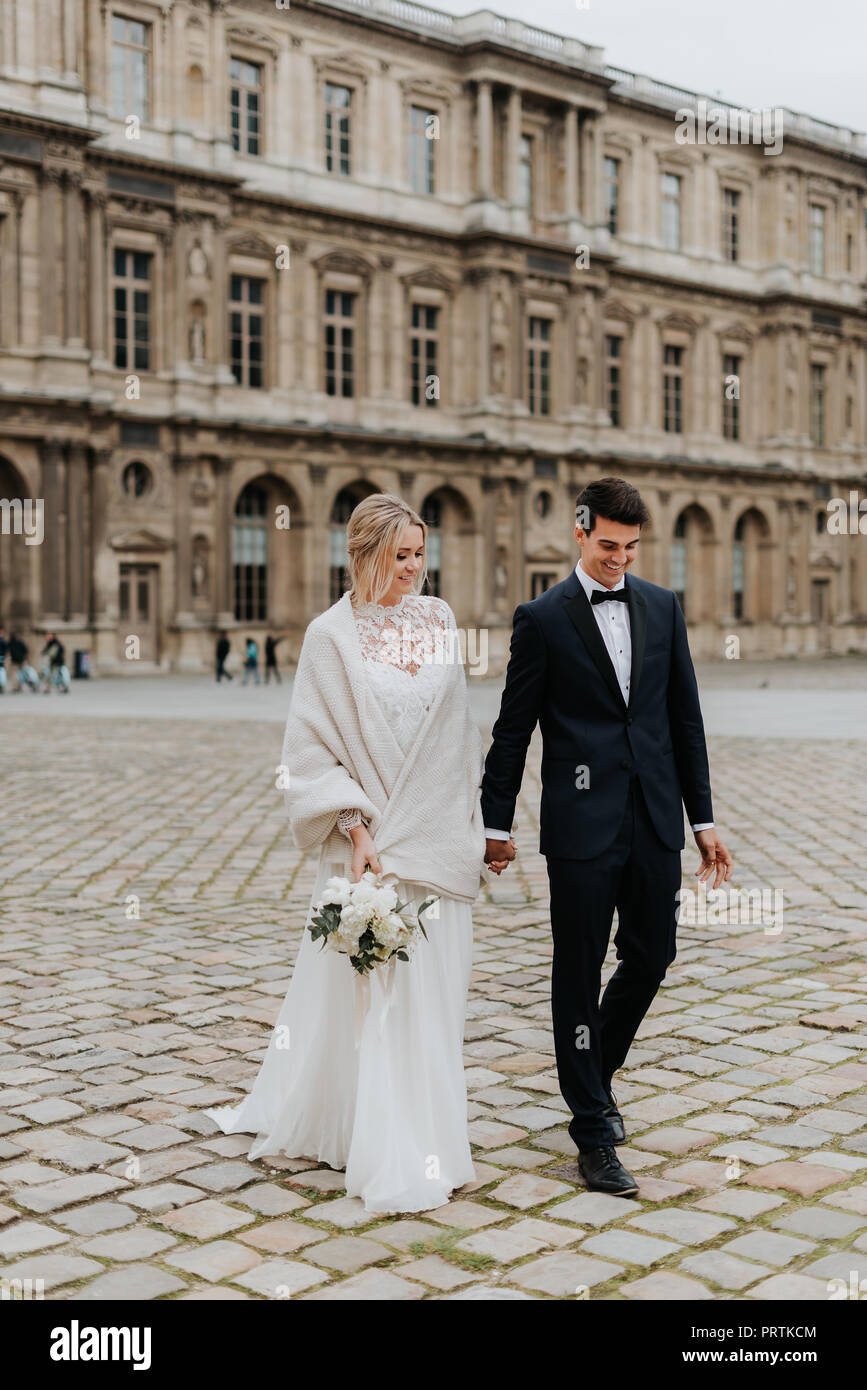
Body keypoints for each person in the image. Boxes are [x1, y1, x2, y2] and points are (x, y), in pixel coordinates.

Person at [205, 493, 503, 1213]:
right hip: (364, 846)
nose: (412, 570)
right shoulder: (329, 636)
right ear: (364, 554)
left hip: (433, 838)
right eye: (400, 557)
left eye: (419, 556)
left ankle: (431, 1134)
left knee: (431, 1000)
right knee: (373, 1002)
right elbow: (309, 750)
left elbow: (457, 738)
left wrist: (479, 826)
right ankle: (378, 1137)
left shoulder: (437, 621)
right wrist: (358, 829)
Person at [481, 476, 733, 1198]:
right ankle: (591, 1128)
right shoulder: (542, 618)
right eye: (608, 546)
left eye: (630, 548)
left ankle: (593, 1075)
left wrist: (703, 821)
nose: (620, 559)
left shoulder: (660, 606)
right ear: (579, 532)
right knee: (577, 968)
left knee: (652, 956)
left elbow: (683, 720)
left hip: (653, 817)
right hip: (580, 824)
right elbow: (512, 729)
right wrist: (495, 824)